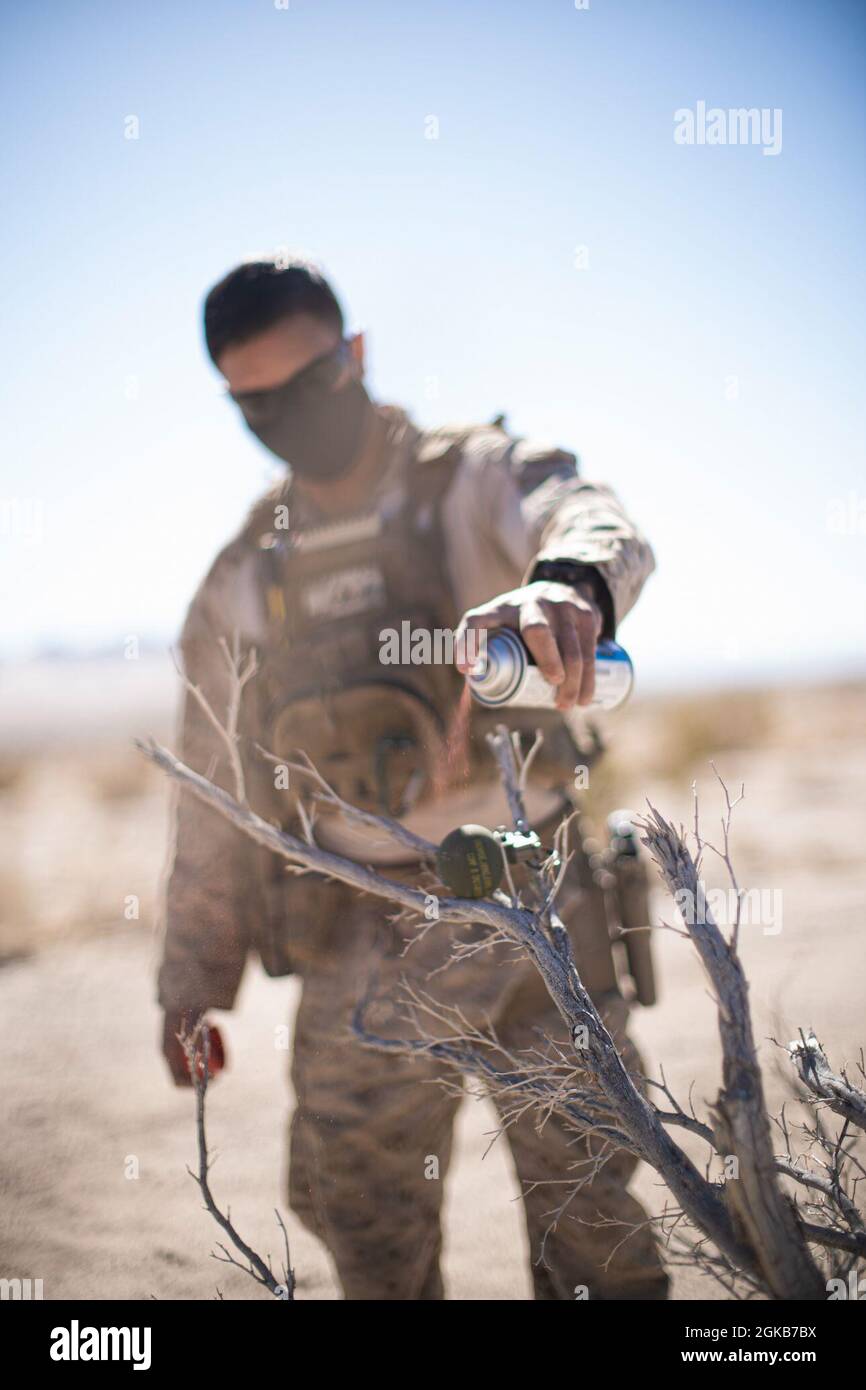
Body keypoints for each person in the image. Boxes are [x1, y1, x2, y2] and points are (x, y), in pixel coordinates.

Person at [157, 256, 667, 1300]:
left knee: (593, 1237)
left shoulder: (470, 478)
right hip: (360, 943)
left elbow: (590, 516)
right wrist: (192, 984)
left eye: (299, 388)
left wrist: (565, 586)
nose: (279, 417)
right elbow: (209, 791)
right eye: (251, 404)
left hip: (536, 917)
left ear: (351, 357)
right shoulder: (249, 570)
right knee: (370, 1237)